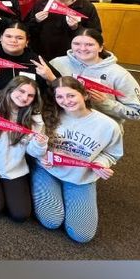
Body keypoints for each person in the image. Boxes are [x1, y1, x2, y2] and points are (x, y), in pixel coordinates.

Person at [31, 77, 123, 243]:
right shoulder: (47, 116)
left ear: (85, 95)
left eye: (71, 95)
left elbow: (112, 154)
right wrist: (41, 154)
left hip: (80, 177)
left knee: (82, 235)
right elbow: (32, 147)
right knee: (51, 221)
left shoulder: (109, 126)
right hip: (48, 170)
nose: (66, 101)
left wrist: (101, 164)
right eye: (60, 97)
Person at [0, 77, 51, 221]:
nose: (25, 97)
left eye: (30, 95)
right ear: (11, 88)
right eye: (21, 91)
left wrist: (40, 144)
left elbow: (33, 152)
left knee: (21, 214)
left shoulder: (35, 118)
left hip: (13, 167)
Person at [35, 28, 140, 128]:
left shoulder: (119, 74)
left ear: (101, 47)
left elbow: (137, 113)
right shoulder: (57, 63)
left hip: (98, 129)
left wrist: (105, 102)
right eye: (77, 44)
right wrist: (52, 81)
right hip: (59, 124)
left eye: (89, 44)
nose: (82, 48)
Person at [26, 0, 101, 61]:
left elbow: (96, 35)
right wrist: (36, 21)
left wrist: (76, 28)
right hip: (41, 54)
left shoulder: (86, 7)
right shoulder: (41, 4)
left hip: (72, 57)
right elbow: (27, 30)